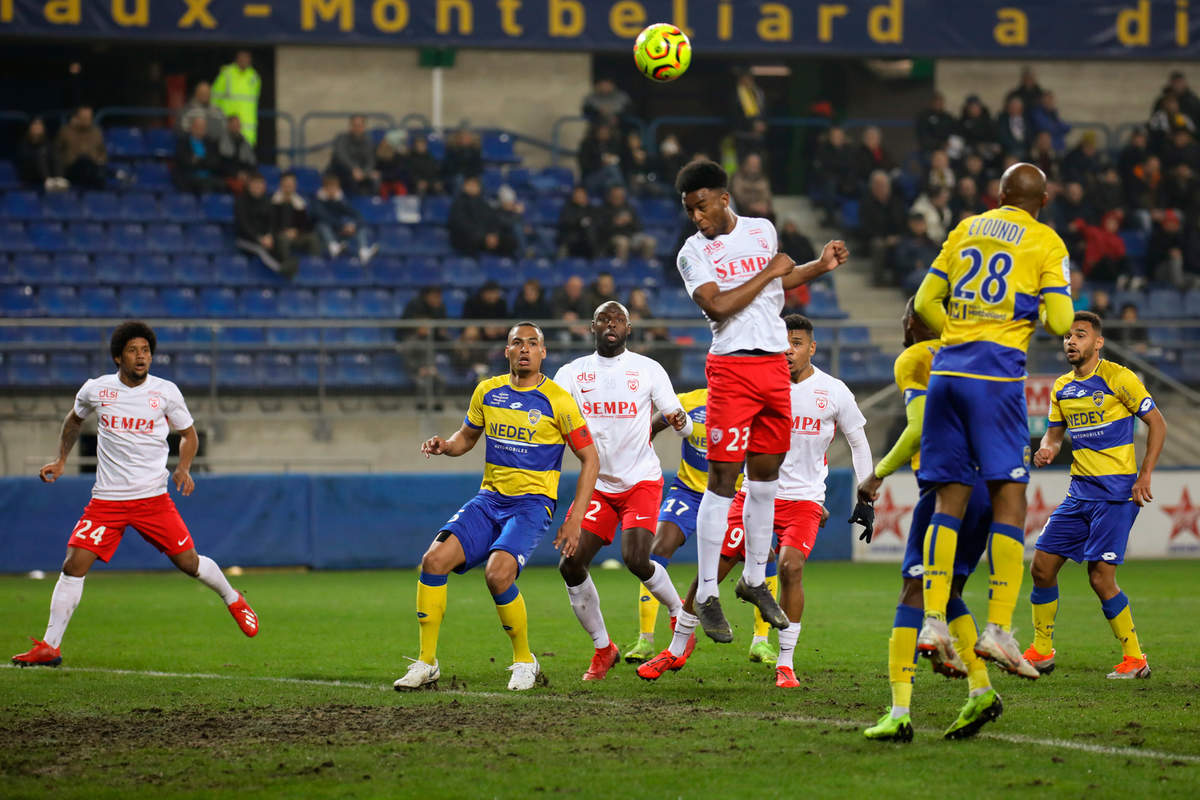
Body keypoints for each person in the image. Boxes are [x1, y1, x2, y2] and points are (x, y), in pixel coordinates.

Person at [667, 159, 848, 647]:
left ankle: (751, 579)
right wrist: (773, 267)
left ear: (724, 198)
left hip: (772, 370)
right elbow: (718, 305)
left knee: (766, 476)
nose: (697, 218)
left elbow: (774, 285)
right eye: (689, 211)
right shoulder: (691, 253)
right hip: (730, 369)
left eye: (701, 206)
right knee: (723, 479)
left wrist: (817, 268)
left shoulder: (762, 230)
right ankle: (706, 592)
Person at [638, 315, 873, 685]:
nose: (788, 350)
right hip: (753, 494)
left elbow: (858, 442)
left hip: (803, 502)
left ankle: (786, 662)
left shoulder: (835, 391)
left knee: (791, 568)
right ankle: (675, 648)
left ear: (812, 348)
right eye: (783, 343)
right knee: (710, 573)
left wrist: (866, 493)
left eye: (796, 343)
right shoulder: (761, 388)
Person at [12, 322, 259, 668]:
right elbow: (73, 421)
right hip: (107, 502)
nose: (141, 356)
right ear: (118, 356)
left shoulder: (166, 392)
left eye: (145, 350)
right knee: (73, 565)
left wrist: (184, 467)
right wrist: (62, 459)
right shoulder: (96, 390)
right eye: (133, 350)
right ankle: (50, 647)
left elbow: (189, 435)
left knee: (189, 563)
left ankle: (233, 599)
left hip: (152, 500)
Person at [912, 162, 1075, 680]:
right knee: (1010, 496)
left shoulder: (964, 228)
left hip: (946, 374)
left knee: (949, 499)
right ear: (1042, 200)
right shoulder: (1046, 241)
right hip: (996, 380)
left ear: (999, 195)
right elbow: (1062, 322)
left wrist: (959, 333)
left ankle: (934, 621)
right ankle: (999, 628)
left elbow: (923, 303)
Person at [393, 322, 600, 692]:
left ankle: (525, 661)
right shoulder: (487, 391)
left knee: (498, 574)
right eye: (517, 343)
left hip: (531, 505)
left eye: (532, 343)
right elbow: (466, 438)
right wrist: (446, 445)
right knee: (433, 561)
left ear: (543, 353)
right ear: (506, 351)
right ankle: (426, 662)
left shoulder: (559, 400)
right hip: (489, 500)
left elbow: (590, 459)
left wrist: (575, 519)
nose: (524, 349)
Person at [858, 300, 1002, 742]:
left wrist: (877, 474)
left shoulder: (916, 358)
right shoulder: (977, 358)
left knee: (912, 590)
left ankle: (900, 712)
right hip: (986, 490)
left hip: (946, 489)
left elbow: (918, 427)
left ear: (917, 321)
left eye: (907, 315)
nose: (904, 323)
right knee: (948, 590)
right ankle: (980, 690)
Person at [552, 302, 692, 680]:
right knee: (570, 563)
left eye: (618, 320)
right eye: (603, 319)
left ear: (629, 329)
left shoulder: (648, 369)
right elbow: (552, 419)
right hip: (597, 484)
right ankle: (604, 649)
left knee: (635, 559)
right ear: (591, 327)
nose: (610, 325)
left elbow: (682, 423)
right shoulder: (572, 373)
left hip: (641, 481)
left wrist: (679, 420)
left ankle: (680, 613)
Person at [1024, 312, 1166, 680]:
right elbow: (1054, 435)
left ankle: (1135, 659)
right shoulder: (1062, 388)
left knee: (1101, 577)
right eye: (1068, 336)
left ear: (1097, 343)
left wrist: (1145, 473)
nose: (1071, 341)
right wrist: (1047, 448)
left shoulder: (1120, 378)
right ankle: (1041, 651)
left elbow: (1157, 422)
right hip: (1078, 494)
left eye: (1080, 335)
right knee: (1041, 568)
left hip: (1116, 494)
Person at [622, 387, 771, 666]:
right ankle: (646, 637)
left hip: (732, 497)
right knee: (655, 551)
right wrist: (639, 452)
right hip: (687, 493)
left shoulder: (750, 406)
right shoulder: (687, 402)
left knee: (766, 557)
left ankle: (761, 642)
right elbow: (652, 426)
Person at [236, 173, 293, 277]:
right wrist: (259, 239)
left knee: (280, 239)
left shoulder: (267, 201)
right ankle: (281, 269)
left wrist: (269, 235)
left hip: (265, 237)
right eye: (255, 184)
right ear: (249, 185)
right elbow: (243, 225)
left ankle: (288, 262)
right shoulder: (241, 201)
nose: (258, 187)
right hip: (246, 239)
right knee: (260, 248)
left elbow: (272, 222)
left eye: (260, 184)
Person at [312, 173, 377, 263]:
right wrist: (342, 225)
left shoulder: (341, 200)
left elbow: (356, 215)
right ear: (324, 188)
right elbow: (324, 217)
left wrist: (352, 226)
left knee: (359, 227)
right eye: (329, 187)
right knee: (322, 225)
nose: (332, 190)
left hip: (339, 231)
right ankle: (333, 246)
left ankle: (363, 250)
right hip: (322, 235)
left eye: (334, 187)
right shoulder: (317, 201)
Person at [448, 175, 506, 257]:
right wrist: (484, 236)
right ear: (464, 187)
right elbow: (461, 223)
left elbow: (493, 220)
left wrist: (493, 234)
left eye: (475, 186)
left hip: (485, 237)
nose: (472, 188)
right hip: (466, 238)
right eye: (469, 185)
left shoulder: (484, 204)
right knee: (471, 239)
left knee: (509, 241)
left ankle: (506, 265)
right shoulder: (458, 203)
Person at [212, 50, 261, 146]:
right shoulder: (226, 74)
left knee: (247, 159)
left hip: (247, 131)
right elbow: (214, 99)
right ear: (236, 59)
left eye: (246, 58)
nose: (244, 60)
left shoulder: (254, 77)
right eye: (241, 57)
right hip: (227, 126)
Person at [271, 171, 321, 261]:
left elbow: (306, 224)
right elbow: (271, 223)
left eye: (291, 183)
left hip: (296, 235)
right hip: (279, 235)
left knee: (312, 238)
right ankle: (288, 267)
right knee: (283, 240)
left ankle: (315, 267)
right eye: (286, 183)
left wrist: (297, 231)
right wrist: (283, 232)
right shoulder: (273, 201)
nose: (288, 186)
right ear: (281, 184)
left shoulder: (300, 202)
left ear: (295, 185)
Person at [595, 184, 654, 260]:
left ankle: (646, 267)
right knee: (623, 242)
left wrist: (630, 221)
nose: (619, 198)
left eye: (621, 196)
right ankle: (621, 268)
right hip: (611, 238)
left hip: (631, 236)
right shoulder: (603, 209)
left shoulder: (629, 208)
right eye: (616, 196)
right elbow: (600, 230)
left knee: (650, 241)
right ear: (610, 196)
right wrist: (615, 223)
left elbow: (640, 227)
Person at [55, 106, 106, 190]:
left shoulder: (96, 132)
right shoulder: (66, 131)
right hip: (71, 169)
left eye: (89, 118)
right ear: (76, 118)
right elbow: (56, 151)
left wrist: (100, 160)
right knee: (83, 161)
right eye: (84, 117)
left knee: (94, 168)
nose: (86, 120)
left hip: (93, 168)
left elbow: (103, 152)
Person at [329, 115, 381, 196]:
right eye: (355, 125)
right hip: (344, 171)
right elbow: (341, 157)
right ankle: (354, 202)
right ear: (350, 126)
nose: (357, 128)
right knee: (352, 178)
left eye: (360, 126)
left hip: (361, 172)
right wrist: (353, 169)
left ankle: (371, 202)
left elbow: (370, 160)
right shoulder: (342, 138)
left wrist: (366, 172)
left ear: (364, 127)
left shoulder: (368, 140)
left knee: (376, 176)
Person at [174, 116, 223, 195]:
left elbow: (215, 162)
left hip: (209, 176)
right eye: (199, 127)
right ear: (192, 127)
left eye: (203, 127)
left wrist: (198, 160)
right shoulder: (183, 142)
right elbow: (184, 161)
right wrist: (204, 162)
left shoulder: (210, 142)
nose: (201, 129)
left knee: (221, 185)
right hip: (189, 176)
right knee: (205, 185)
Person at [17, 117, 62, 190]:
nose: (37, 127)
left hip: (47, 173)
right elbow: (24, 160)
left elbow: (53, 157)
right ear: (30, 127)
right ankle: (47, 180)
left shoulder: (48, 143)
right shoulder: (24, 143)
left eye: (39, 125)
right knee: (39, 155)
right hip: (30, 174)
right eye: (35, 125)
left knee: (55, 154)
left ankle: (58, 178)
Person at [215, 115, 257, 190]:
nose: (236, 127)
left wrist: (247, 174)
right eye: (233, 125)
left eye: (238, 125)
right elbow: (221, 164)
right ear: (228, 126)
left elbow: (252, 163)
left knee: (257, 185)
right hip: (227, 176)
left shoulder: (245, 143)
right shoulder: (220, 142)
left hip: (245, 176)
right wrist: (237, 174)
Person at [557, 186, 598, 259]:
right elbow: (565, 223)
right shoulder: (568, 209)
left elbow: (597, 222)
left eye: (581, 195)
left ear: (586, 196)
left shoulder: (592, 209)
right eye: (577, 195)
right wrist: (579, 222)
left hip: (588, 240)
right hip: (571, 238)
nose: (579, 197)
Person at [730, 152, 774, 219]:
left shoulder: (763, 179)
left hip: (761, 211)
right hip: (743, 211)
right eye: (752, 163)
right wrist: (751, 206)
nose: (755, 166)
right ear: (746, 164)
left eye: (757, 164)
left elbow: (767, 196)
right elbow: (737, 196)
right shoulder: (738, 177)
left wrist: (764, 205)